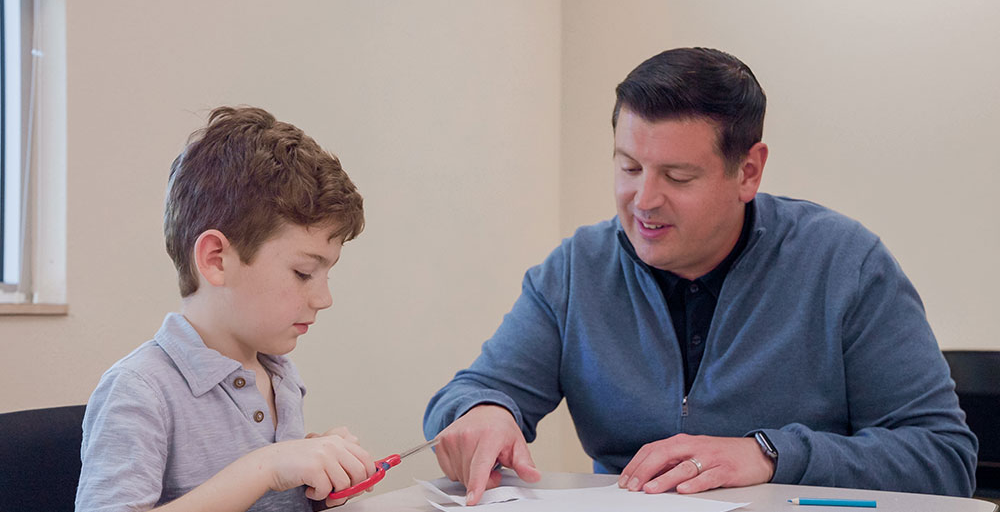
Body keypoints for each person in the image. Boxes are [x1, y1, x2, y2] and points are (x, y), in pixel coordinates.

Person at [423, 47, 978, 505]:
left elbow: (943, 457)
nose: (644, 200)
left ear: (749, 172)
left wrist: (768, 454)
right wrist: (483, 413)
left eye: (678, 176)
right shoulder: (575, 270)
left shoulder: (845, 264)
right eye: (628, 167)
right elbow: (473, 391)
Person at [77, 106, 373, 512]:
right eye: (304, 272)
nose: (324, 299)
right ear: (216, 259)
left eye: (327, 274)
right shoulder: (140, 390)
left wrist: (318, 481)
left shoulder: (280, 375)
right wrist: (266, 467)